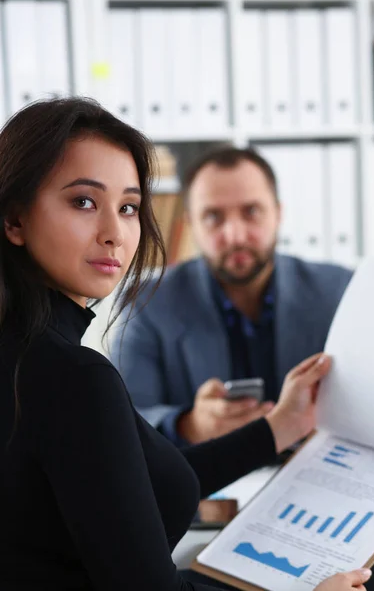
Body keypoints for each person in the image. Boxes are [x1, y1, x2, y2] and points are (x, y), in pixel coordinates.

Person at [0, 97, 374, 591]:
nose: (115, 233)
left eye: (130, 207)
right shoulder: (71, 374)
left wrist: (278, 427)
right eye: (84, 202)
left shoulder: (31, 354)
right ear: (14, 219)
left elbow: (131, 480)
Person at [110, 146, 353, 447]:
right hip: (206, 488)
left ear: (278, 214)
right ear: (191, 224)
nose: (236, 235)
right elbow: (122, 421)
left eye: (251, 212)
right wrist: (189, 425)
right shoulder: (146, 302)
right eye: (213, 216)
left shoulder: (340, 290)